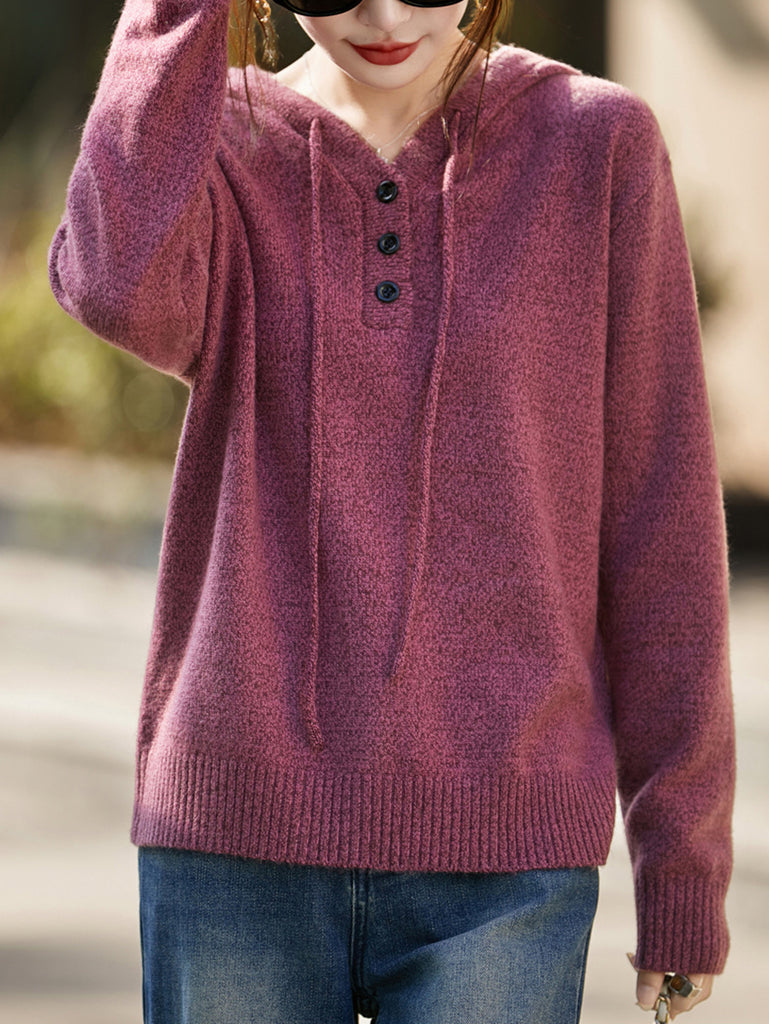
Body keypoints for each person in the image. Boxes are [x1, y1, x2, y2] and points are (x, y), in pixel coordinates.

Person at [48, 0, 735, 1020]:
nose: (380, 13)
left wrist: (682, 861)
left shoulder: (594, 146)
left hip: (505, 853)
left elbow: (658, 518)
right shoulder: (216, 144)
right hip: (237, 835)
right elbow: (111, 287)